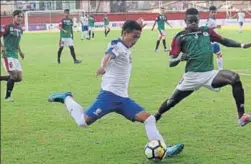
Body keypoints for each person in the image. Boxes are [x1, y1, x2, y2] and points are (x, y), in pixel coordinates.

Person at [48, 20, 184, 157]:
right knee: (83, 122)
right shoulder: (116, 45)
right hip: (109, 96)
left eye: (138, 37)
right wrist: (103, 66)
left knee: (149, 119)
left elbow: (124, 45)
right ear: (125, 33)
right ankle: (66, 97)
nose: (136, 40)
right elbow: (108, 55)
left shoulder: (125, 46)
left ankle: (164, 150)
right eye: (134, 36)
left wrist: (137, 29)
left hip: (123, 99)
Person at [154, 8, 251, 127]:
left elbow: (224, 41)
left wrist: (242, 45)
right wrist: (179, 58)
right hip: (191, 77)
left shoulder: (206, 31)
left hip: (209, 74)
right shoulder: (180, 37)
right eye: (190, 21)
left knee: (234, 78)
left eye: (196, 21)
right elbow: (171, 62)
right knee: (172, 101)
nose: (193, 23)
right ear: (185, 20)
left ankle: (241, 117)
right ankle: (157, 115)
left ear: (199, 20)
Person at [0, 10, 24, 102]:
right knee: (13, 75)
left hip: (15, 55)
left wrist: (20, 52)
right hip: (7, 54)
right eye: (18, 16)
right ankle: (7, 97)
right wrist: (2, 46)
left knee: (19, 78)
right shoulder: (7, 27)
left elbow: (17, 42)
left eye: (21, 17)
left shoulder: (20, 29)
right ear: (13, 17)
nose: (20, 18)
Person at [206, 6, 223, 70]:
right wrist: (216, 26)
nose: (213, 13)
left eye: (215, 12)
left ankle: (220, 69)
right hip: (211, 41)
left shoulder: (213, 19)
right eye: (212, 12)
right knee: (210, 56)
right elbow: (207, 29)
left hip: (214, 41)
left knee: (219, 54)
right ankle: (219, 69)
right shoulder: (210, 20)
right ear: (209, 12)